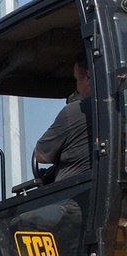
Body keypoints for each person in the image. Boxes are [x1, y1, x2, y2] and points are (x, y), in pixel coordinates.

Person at [33, 53, 92, 182]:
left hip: (74, 194)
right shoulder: (119, 108)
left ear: (87, 77)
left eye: (77, 80)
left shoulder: (75, 111)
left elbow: (40, 155)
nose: (77, 87)